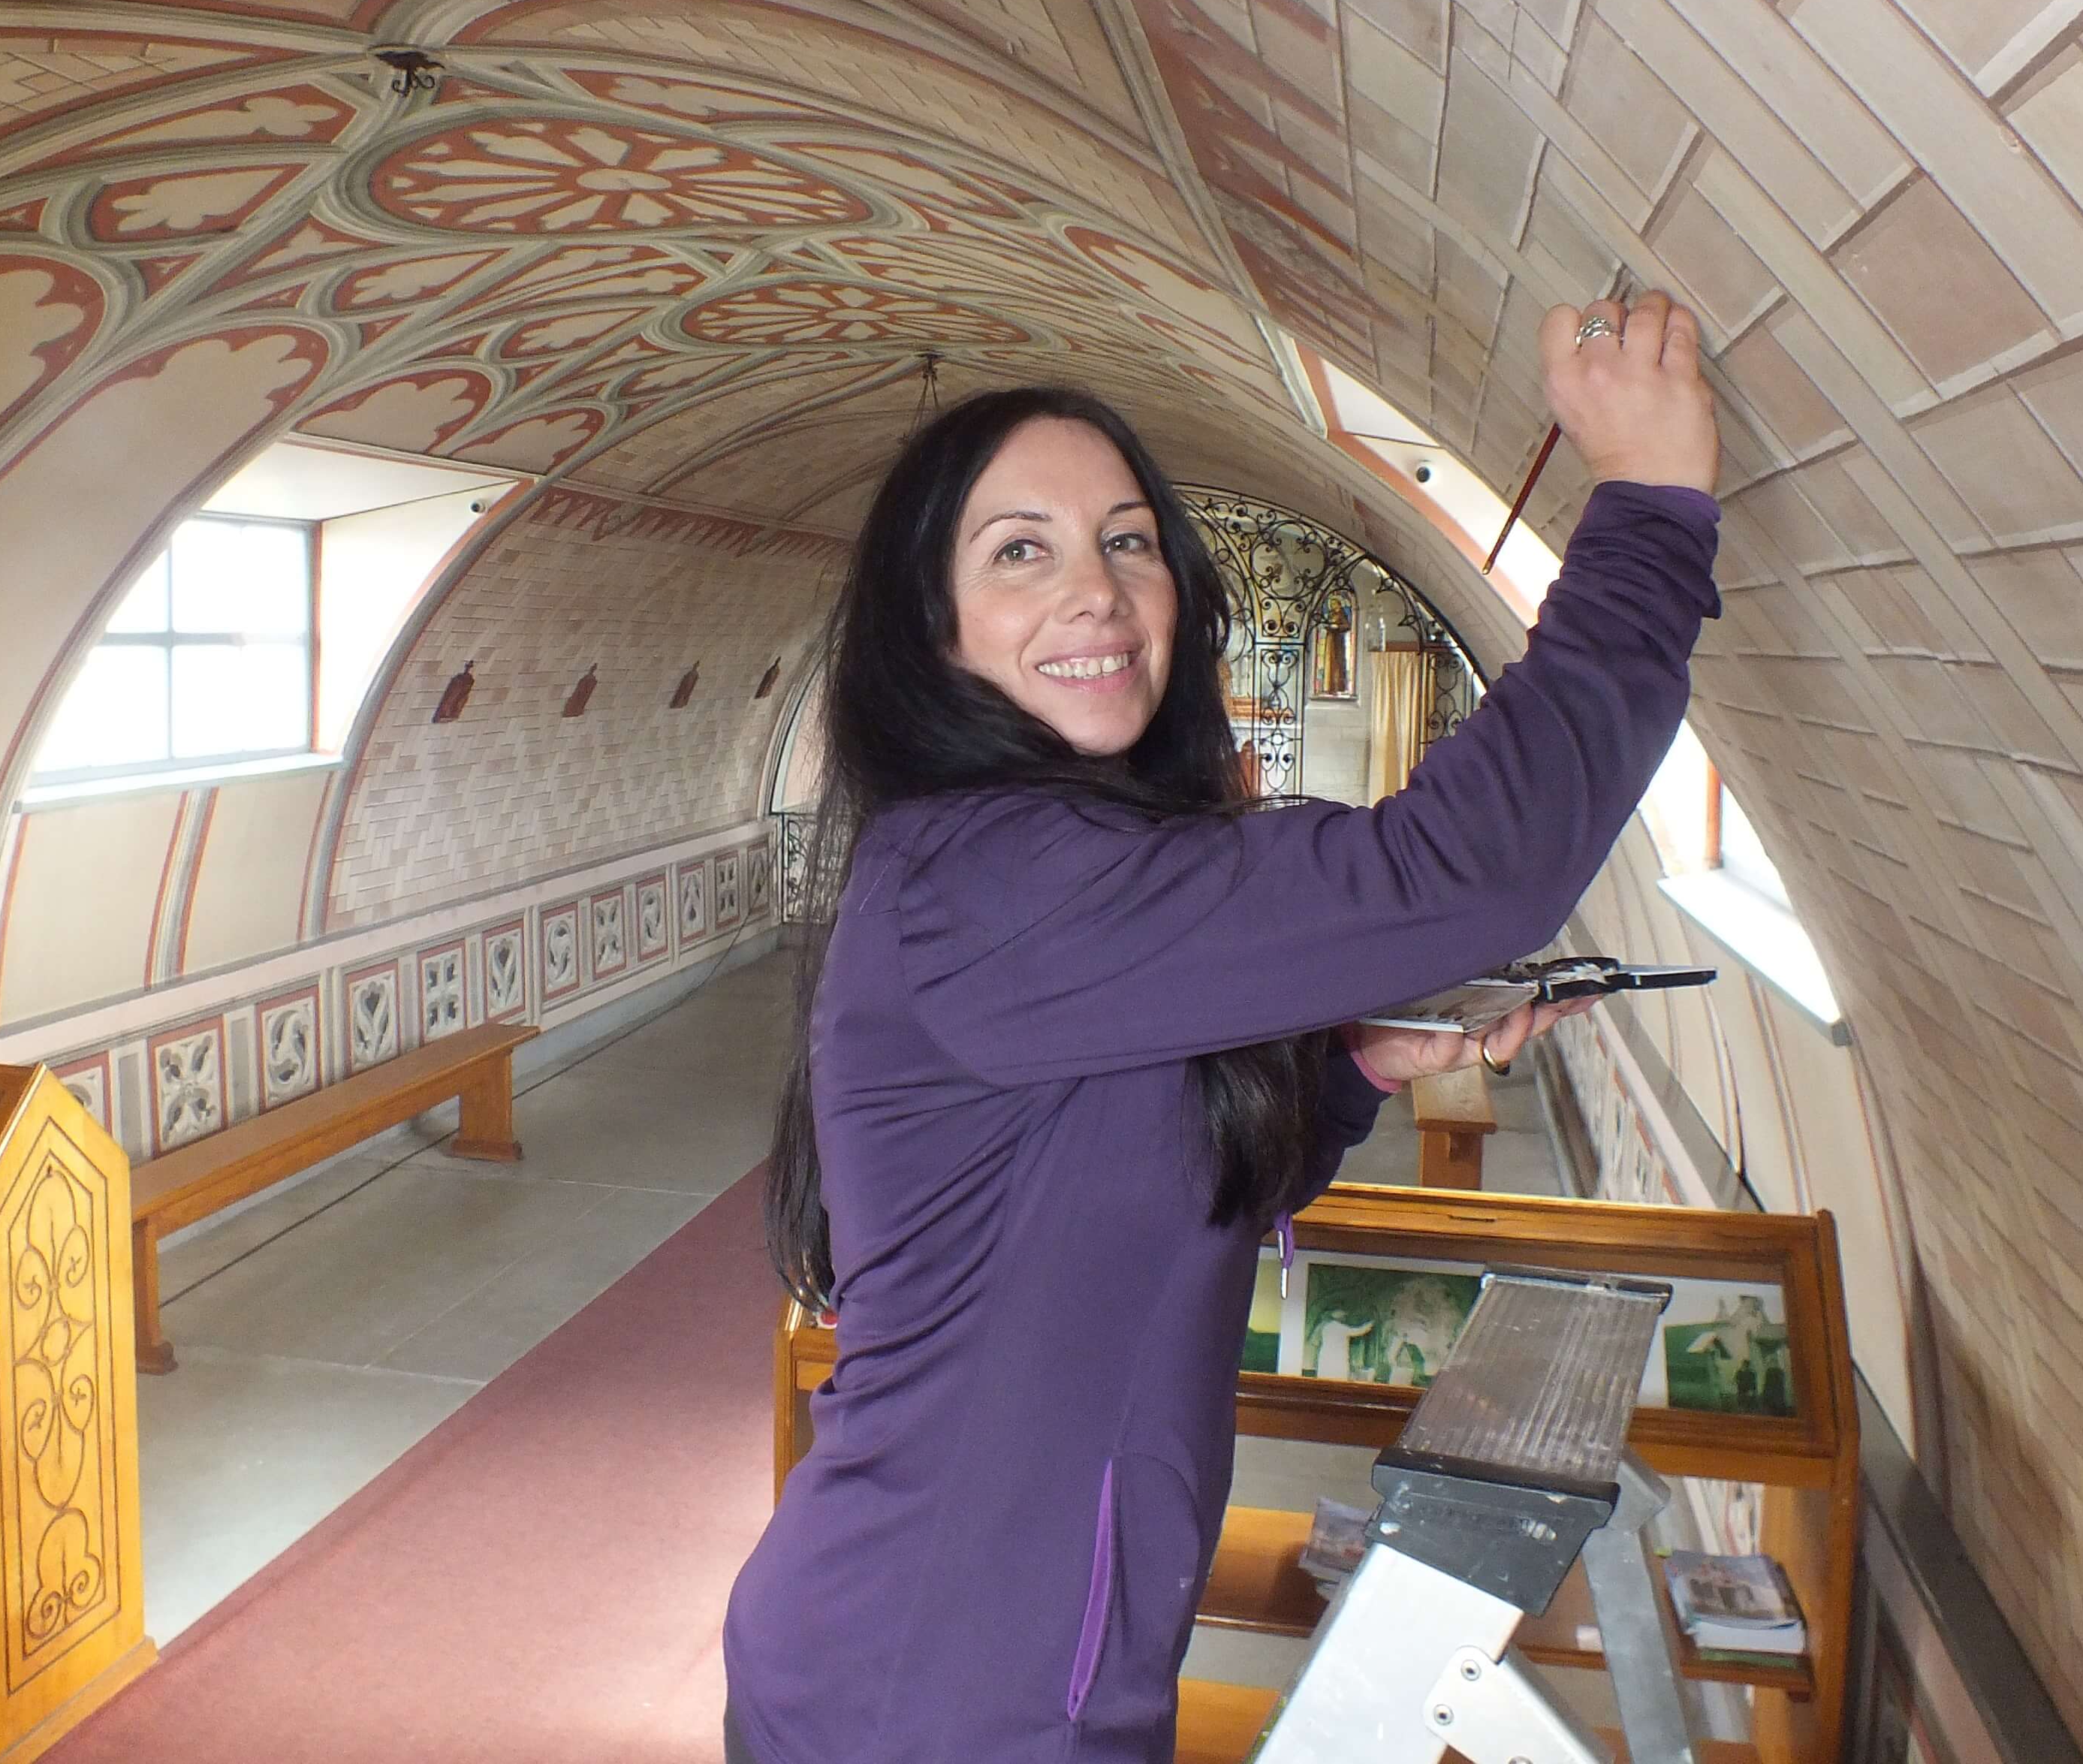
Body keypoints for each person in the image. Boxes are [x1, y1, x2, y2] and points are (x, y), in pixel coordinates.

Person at [722, 291, 1723, 1762]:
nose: (1096, 591)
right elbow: (1463, 868)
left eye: (1126, 540)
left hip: (1021, 1668)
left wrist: (1353, 1065)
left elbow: (1138, 1198)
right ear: (925, 633)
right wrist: (1646, 508)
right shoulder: (983, 884)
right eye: (1020, 553)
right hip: (930, 1696)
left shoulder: (1069, 871)